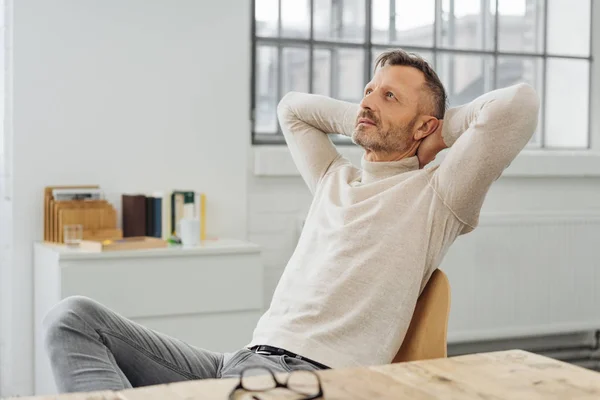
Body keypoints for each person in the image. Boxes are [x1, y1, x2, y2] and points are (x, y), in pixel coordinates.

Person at [43, 49, 540, 393]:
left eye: (390, 97)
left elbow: (518, 105)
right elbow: (292, 110)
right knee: (72, 318)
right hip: (239, 361)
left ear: (425, 124)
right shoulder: (333, 178)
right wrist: (368, 116)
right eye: (369, 89)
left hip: (310, 377)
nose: (368, 100)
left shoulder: (437, 193)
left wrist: (438, 134)